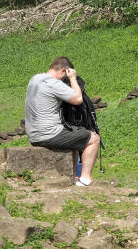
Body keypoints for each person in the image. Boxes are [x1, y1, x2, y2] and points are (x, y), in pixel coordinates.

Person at [24, 56, 100, 186]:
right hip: (49, 134)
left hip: (33, 134)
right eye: (65, 76)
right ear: (64, 71)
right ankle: (86, 179)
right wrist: (72, 78)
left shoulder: (35, 79)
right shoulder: (54, 83)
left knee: (75, 143)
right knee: (94, 139)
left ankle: (73, 178)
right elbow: (77, 98)